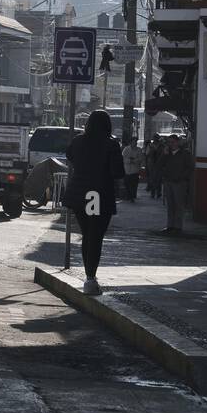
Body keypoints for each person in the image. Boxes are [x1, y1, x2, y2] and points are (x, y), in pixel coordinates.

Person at [63, 109, 124, 295]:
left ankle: (90, 277)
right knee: (95, 236)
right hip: (96, 194)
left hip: (78, 194)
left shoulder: (78, 141)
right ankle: (90, 279)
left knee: (87, 234)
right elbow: (118, 172)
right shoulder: (110, 144)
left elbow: (69, 156)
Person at [159, 135, 193, 235]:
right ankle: (170, 225)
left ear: (178, 142)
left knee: (179, 205)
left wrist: (181, 177)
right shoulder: (167, 154)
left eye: (173, 142)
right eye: (169, 142)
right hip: (168, 181)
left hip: (180, 183)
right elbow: (159, 165)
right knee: (170, 205)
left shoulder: (185, 154)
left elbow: (190, 168)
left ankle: (178, 226)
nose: (171, 144)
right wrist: (164, 155)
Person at [121, 136, 145, 203]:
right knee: (127, 184)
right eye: (134, 141)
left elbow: (140, 159)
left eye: (136, 142)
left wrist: (134, 161)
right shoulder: (126, 149)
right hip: (127, 170)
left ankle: (132, 196)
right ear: (131, 142)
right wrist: (130, 160)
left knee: (134, 185)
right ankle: (129, 196)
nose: (135, 143)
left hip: (135, 170)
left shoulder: (139, 150)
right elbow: (123, 158)